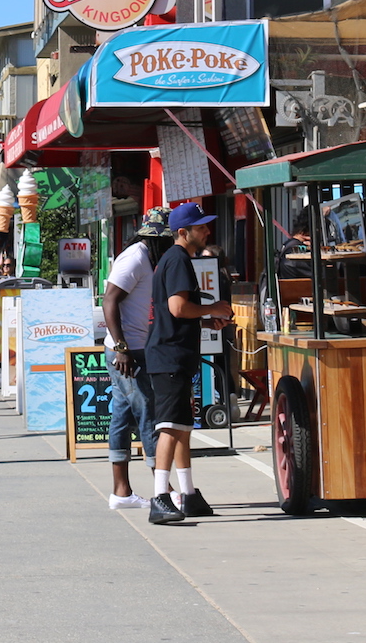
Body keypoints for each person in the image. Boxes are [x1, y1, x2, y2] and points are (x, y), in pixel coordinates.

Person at [143, 201, 231, 526]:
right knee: (169, 426)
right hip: (169, 356)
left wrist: (207, 322)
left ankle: (188, 494)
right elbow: (179, 308)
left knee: (182, 426)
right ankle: (160, 498)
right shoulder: (178, 259)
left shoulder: (174, 260)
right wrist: (214, 309)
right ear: (184, 232)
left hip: (174, 353)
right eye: (201, 227)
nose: (207, 231)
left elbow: (175, 315)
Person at [101, 212, 170, 511]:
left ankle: (122, 491)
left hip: (136, 347)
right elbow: (109, 300)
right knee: (148, 414)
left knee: (122, 415)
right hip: (127, 351)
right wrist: (122, 348)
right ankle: (162, 491)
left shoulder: (147, 258)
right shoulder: (135, 258)